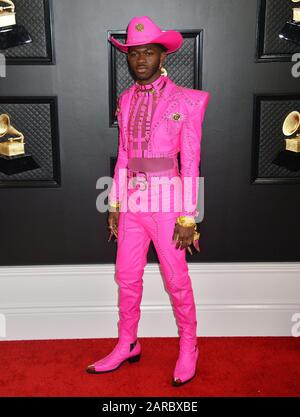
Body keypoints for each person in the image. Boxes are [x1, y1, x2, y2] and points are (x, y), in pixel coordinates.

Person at [86, 15, 211, 386]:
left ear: (162, 55)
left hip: (169, 200)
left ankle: (189, 346)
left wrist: (189, 216)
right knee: (126, 276)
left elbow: (191, 161)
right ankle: (128, 343)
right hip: (133, 204)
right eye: (134, 53)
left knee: (176, 280)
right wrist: (114, 203)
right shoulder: (125, 99)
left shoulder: (188, 101)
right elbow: (123, 154)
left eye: (148, 52)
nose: (140, 59)